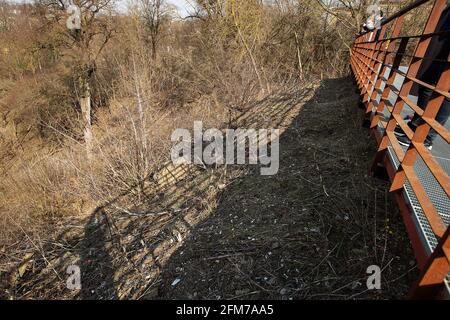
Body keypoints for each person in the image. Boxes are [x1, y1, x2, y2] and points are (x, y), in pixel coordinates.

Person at [394, 5, 450, 151]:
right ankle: (417, 125)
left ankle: (426, 137)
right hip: (443, 36)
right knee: (427, 83)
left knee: (446, 92)